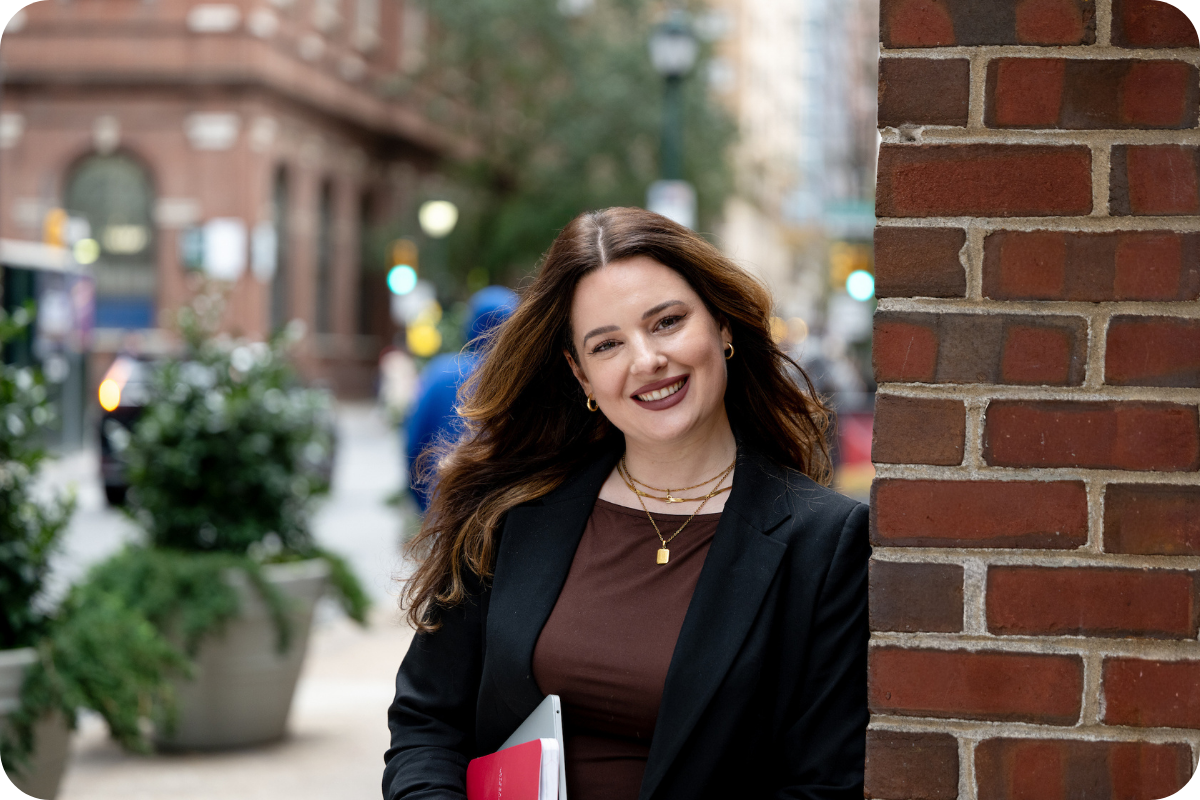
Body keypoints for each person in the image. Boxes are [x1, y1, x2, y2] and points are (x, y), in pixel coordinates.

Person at [384, 208, 869, 799]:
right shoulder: (512, 512)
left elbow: (824, 784)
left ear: (723, 326)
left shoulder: (827, 541)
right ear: (581, 375)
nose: (645, 361)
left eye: (666, 322)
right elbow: (425, 726)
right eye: (607, 344)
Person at [404, 286, 518, 511]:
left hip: (444, 509)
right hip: (506, 513)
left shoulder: (439, 374)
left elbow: (413, 444)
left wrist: (424, 506)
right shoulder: (524, 378)